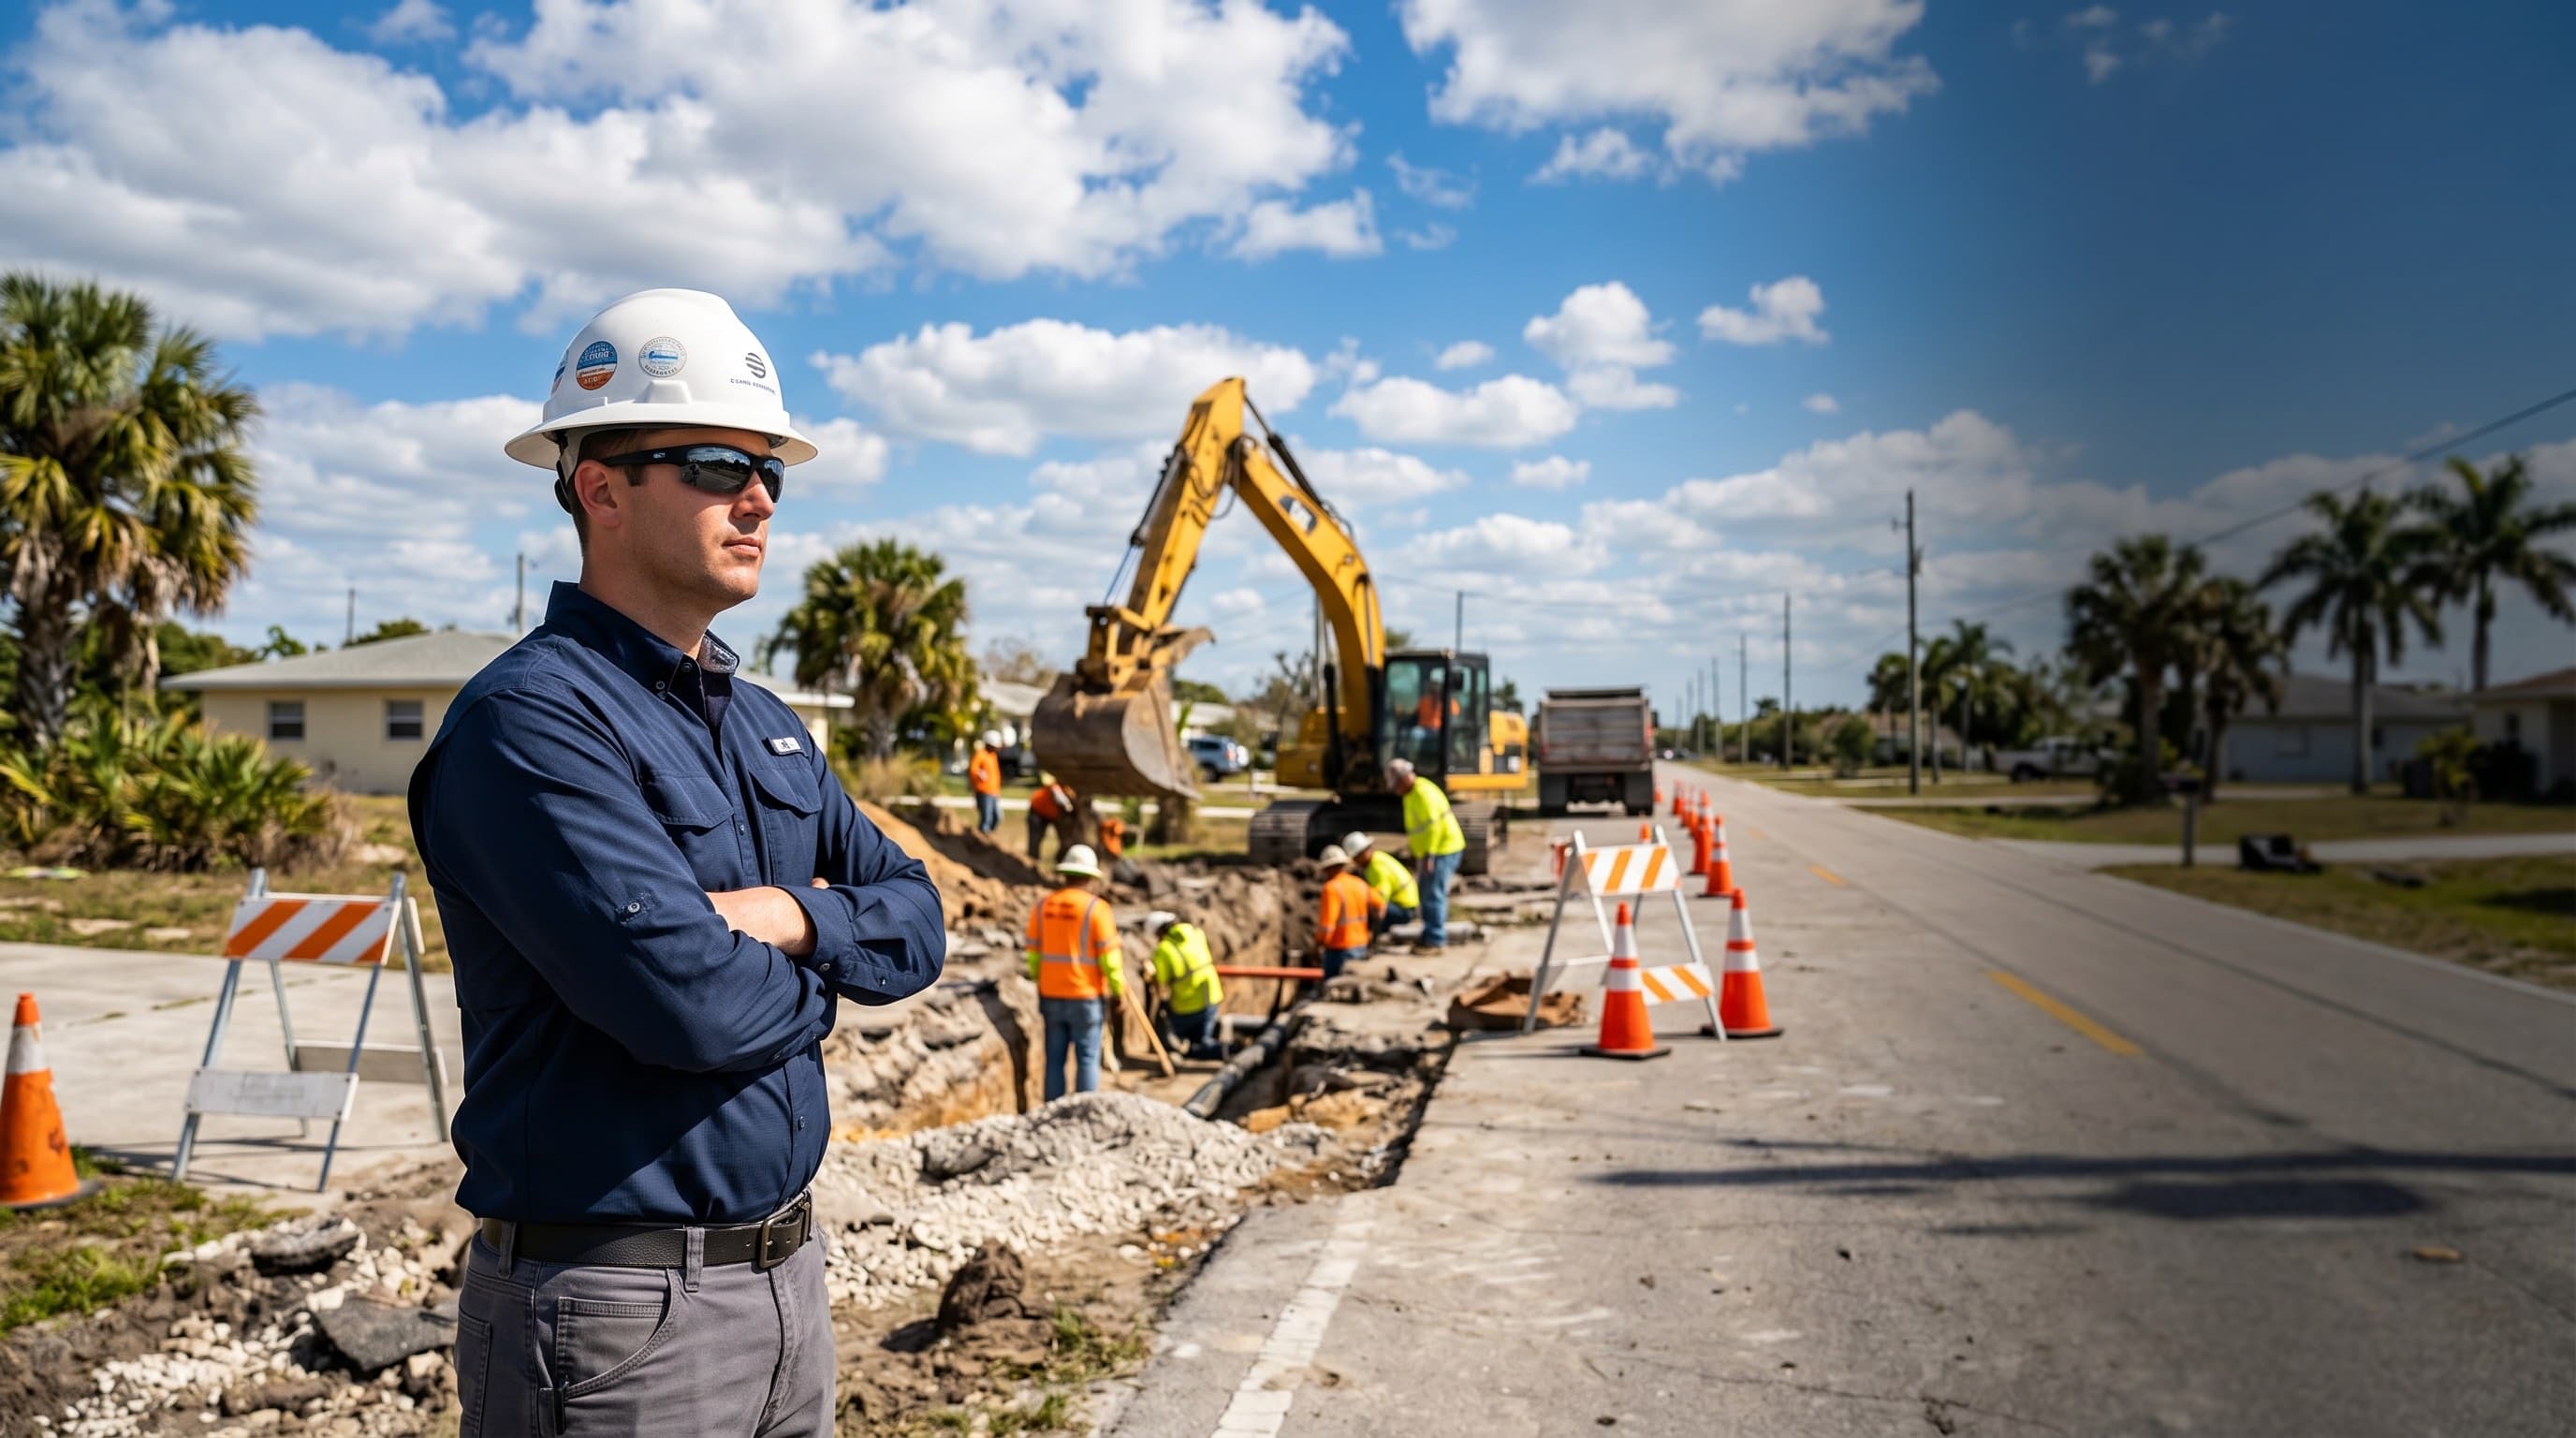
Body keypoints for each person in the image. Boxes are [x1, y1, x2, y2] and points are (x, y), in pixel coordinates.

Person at [415, 287, 944, 1437]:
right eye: (712, 464)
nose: (758, 497)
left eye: (770, 472)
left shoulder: (766, 723)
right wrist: (826, 968)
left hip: (786, 1283)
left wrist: (790, 919)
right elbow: (686, 1006)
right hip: (617, 1315)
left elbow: (917, 921)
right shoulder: (534, 724)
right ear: (598, 488)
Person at [1023, 844, 1124, 1099]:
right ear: (1091, 877)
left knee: (1054, 1061)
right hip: (1086, 996)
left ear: (1065, 873)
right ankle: (1084, 1113)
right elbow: (1110, 960)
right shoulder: (1097, 909)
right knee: (1088, 1058)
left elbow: (1033, 955)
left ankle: (1052, 1112)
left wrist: (1041, 978)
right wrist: (1118, 991)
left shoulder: (1043, 906)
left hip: (1051, 994)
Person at [1387, 757, 1465, 953]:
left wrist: (1429, 855)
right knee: (1426, 892)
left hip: (1442, 850)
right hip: (1431, 852)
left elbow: (1433, 827)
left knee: (1434, 894)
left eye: (1396, 784)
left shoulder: (1424, 793)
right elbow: (1417, 829)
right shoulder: (1410, 795)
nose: (1395, 789)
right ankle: (1429, 933)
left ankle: (1435, 939)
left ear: (1404, 778)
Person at [1142, 910, 1224, 1061]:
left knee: (1188, 1044)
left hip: (1187, 1006)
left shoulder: (1164, 950)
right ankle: (1221, 1049)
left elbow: (1161, 981)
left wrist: (1150, 972)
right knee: (1201, 1040)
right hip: (1212, 997)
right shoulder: (1196, 934)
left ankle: (1180, 1049)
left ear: (1160, 931)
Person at [1313, 844, 1383, 981]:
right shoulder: (1360, 883)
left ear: (1328, 868)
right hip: (1361, 946)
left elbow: (1327, 926)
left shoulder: (1331, 888)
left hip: (1339, 949)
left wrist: (1318, 944)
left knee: (1333, 987)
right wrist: (1373, 932)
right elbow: (1380, 904)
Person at [1341, 830, 1419, 944]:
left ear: (1362, 854)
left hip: (1404, 911)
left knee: (1366, 907)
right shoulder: (1378, 858)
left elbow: (1381, 901)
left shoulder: (1376, 868)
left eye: (1355, 858)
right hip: (1406, 906)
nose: (1355, 862)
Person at [1026, 772, 1077, 864]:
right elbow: (1060, 798)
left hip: (1052, 815)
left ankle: (1061, 860)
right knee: (1036, 838)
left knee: (1065, 839)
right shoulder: (1055, 786)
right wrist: (1068, 806)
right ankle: (1032, 861)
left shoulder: (1068, 789)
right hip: (1037, 812)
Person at [969, 730, 1004, 834]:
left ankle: (988, 836)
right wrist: (979, 773)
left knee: (997, 817)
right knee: (986, 818)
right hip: (984, 792)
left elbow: (995, 774)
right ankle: (981, 838)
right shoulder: (980, 754)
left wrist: (997, 791)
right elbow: (973, 769)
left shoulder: (993, 756)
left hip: (993, 792)